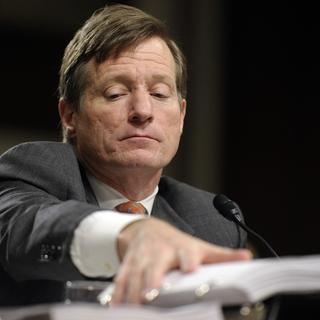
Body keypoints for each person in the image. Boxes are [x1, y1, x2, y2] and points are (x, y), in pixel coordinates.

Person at [0, 4, 251, 306]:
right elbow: (29, 226)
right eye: (116, 94)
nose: (143, 111)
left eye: (159, 94)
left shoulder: (214, 222)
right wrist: (128, 232)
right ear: (70, 115)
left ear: (182, 116)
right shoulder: (35, 171)